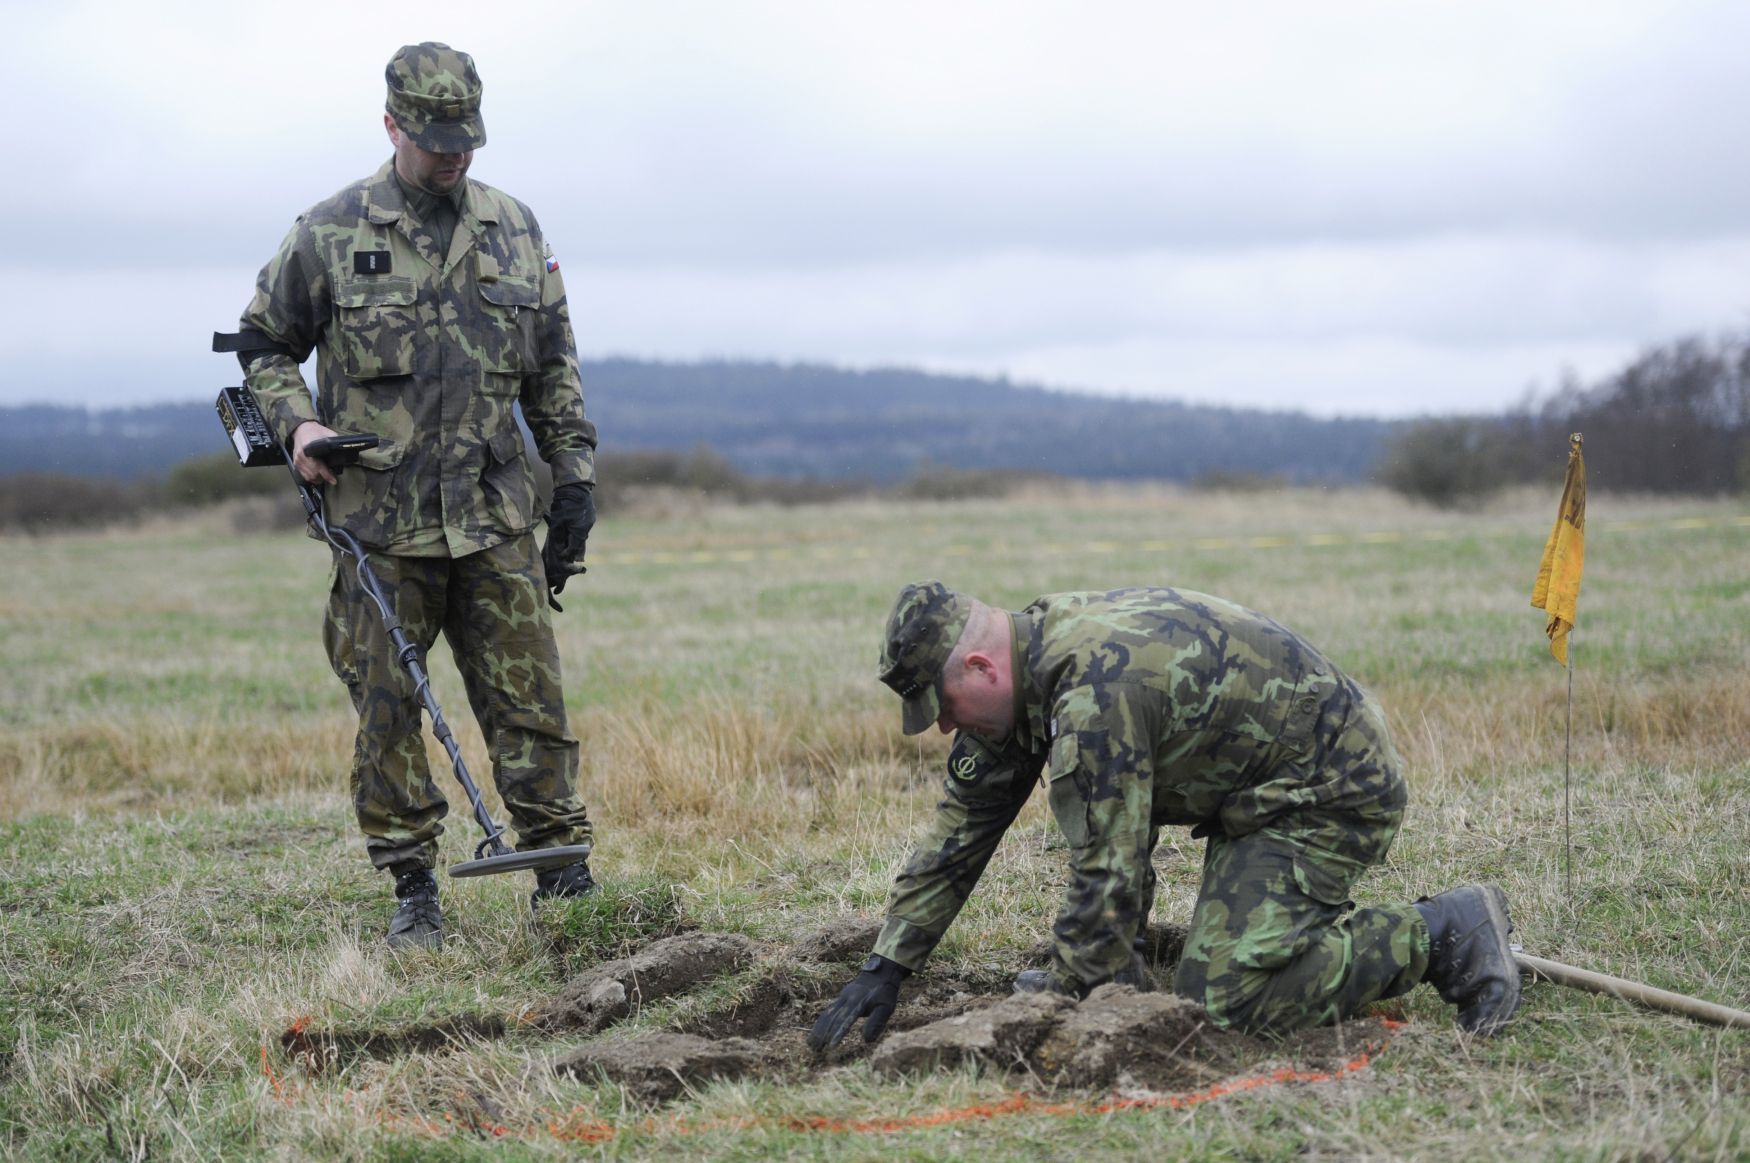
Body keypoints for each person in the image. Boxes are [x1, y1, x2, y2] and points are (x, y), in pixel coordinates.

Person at [224, 43, 599, 949]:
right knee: (388, 708)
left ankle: (564, 874)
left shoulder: (516, 228)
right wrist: (298, 427)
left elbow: (552, 366)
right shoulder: (328, 231)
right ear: (392, 125)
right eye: (434, 139)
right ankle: (413, 887)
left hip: (493, 514)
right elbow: (263, 344)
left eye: (464, 138)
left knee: (531, 706)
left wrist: (575, 474)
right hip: (379, 526)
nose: (451, 155)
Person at [810, 581, 1521, 1048]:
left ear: (979, 668)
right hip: (1254, 793)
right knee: (1160, 970)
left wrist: (1067, 992)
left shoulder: (1092, 690)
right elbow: (959, 833)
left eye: (944, 707)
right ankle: (1241, 942)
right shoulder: (1031, 673)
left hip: (1323, 788)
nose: (942, 729)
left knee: (1227, 1001)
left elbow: (1109, 868)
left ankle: (1442, 931)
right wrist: (888, 963)